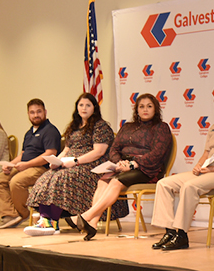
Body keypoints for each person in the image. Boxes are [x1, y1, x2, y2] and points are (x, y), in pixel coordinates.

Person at [151, 88, 214, 251]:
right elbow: (206, 153)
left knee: (190, 186)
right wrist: (199, 165)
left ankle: (182, 235)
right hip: (208, 171)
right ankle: (170, 232)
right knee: (164, 183)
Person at [72, 93, 172, 241]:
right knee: (102, 181)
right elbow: (114, 149)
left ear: (156, 109)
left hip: (147, 169)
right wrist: (119, 162)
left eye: (149, 106)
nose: (145, 109)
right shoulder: (127, 127)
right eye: (141, 106)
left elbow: (157, 154)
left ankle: (86, 216)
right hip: (123, 166)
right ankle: (92, 223)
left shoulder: (161, 127)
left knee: (116, 181)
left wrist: (133, 164)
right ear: (136, 109)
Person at [24, 92, 115, 235]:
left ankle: (50, 222)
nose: (84, 108)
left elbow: (99, 151)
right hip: (69, 163)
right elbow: (66, 149)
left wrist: (76, 161)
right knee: (46, 177)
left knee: (62, 178)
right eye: (81, 105)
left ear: (94, 108)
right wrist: (56, 161)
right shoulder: (74, 126)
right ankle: (46, 220)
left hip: (91, 166)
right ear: (77, 108)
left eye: (88, 105)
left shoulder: (101, 126)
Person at [0, 98, 61, 229]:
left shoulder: (50, 130)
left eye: (39, 112)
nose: (36, 115)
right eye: (32, 112)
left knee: (16, 182)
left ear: (45, 112)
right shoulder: (29, 133)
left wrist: (27, 164)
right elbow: (22, 155)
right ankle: (10, 215)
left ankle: (23, 214)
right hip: (25, 166)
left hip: (41, 168)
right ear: (28, 114)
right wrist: (9, 164)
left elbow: (50, 154)